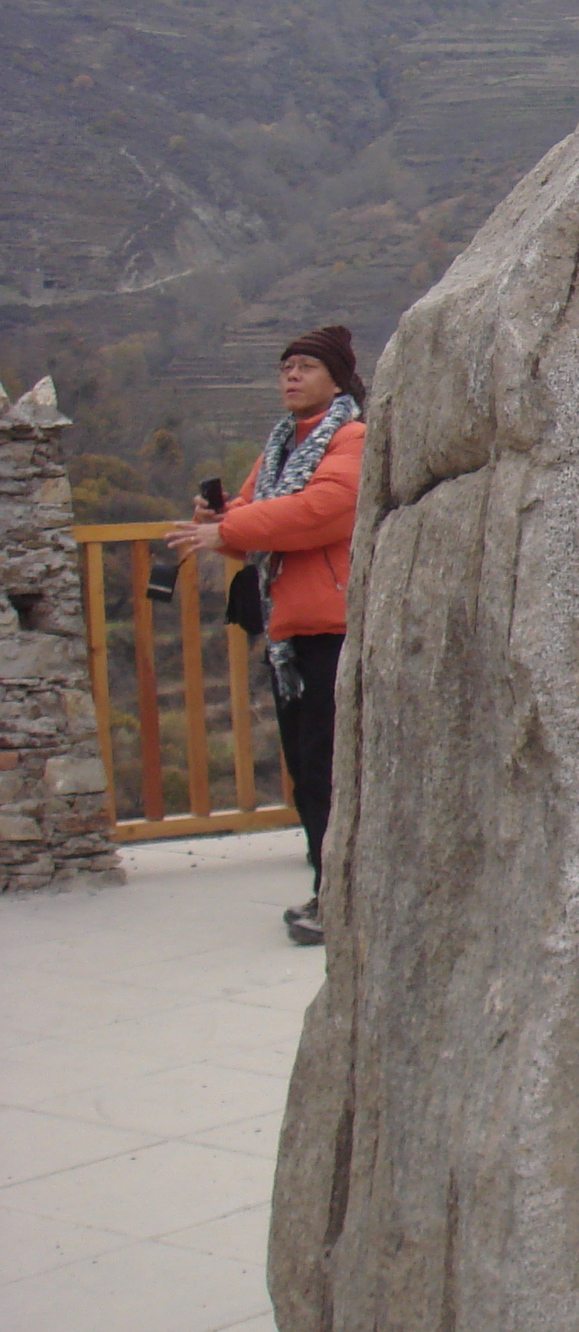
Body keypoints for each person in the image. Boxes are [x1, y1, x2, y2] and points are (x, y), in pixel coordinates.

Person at [166, 325, 366, 946]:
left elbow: (322, 511)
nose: (291, 376)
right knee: (307, 770)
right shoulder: (282, 445)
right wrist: (222, 519)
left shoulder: (354, 437)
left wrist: (233, 528)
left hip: (337, 628)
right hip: (291, 635)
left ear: (337, 378)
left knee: (332, 769)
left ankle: (347, 898)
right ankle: (330, 889)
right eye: (285, 368)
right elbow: (257, 522)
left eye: (305, 366)